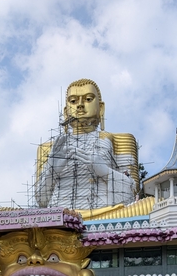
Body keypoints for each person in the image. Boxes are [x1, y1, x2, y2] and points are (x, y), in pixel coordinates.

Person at [35, 78, 138, 211]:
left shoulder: (120, 140)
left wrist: (105, 172)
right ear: (66, 112)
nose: (80, 105)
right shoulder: (50, 148)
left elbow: (133, 196)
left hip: (104, 215)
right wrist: (51, 171)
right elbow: (41, 201)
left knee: (147, 205)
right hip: (60, 221)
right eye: (73, 101)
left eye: (88, 99)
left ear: (101, 108)